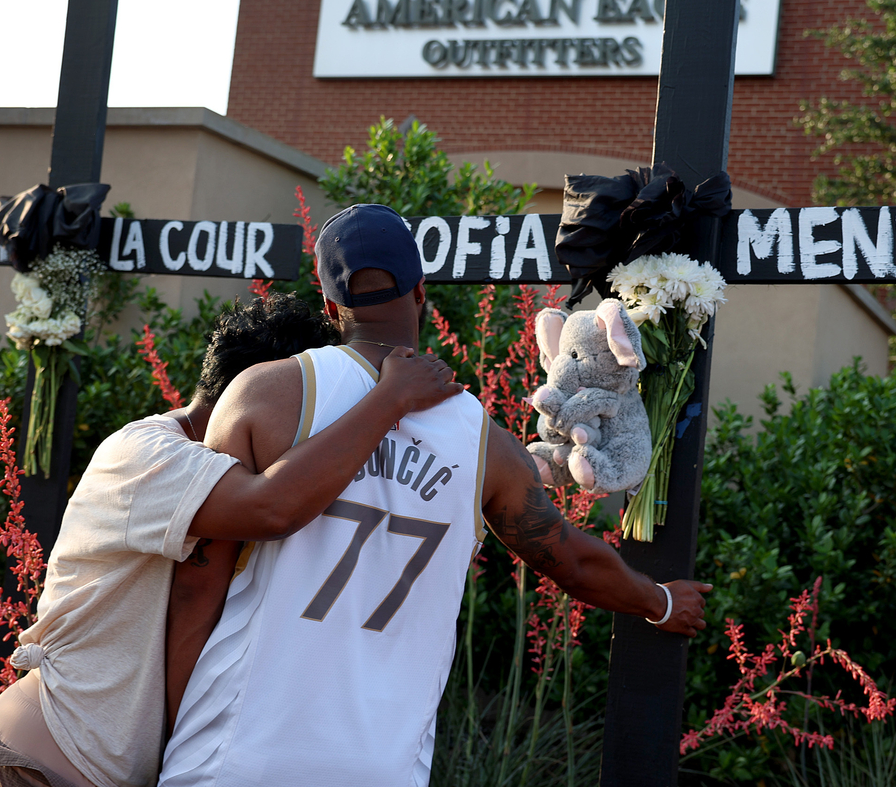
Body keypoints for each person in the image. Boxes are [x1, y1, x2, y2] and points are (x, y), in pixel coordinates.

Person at [159, 204, 712, 787]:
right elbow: (572, 560)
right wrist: (660, 601)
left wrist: (171, 736)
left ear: (329, 306)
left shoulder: (262, 394)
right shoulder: (484, 442)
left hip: (235, 752)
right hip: (383, 767)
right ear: (421, 292)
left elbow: (197, 585)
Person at [0, 293, 462, 787]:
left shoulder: (204, 466)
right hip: (50, 753)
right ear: (260, 391)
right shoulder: (151, 455)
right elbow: (272, 507)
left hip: (99, 758)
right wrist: (389, 399)